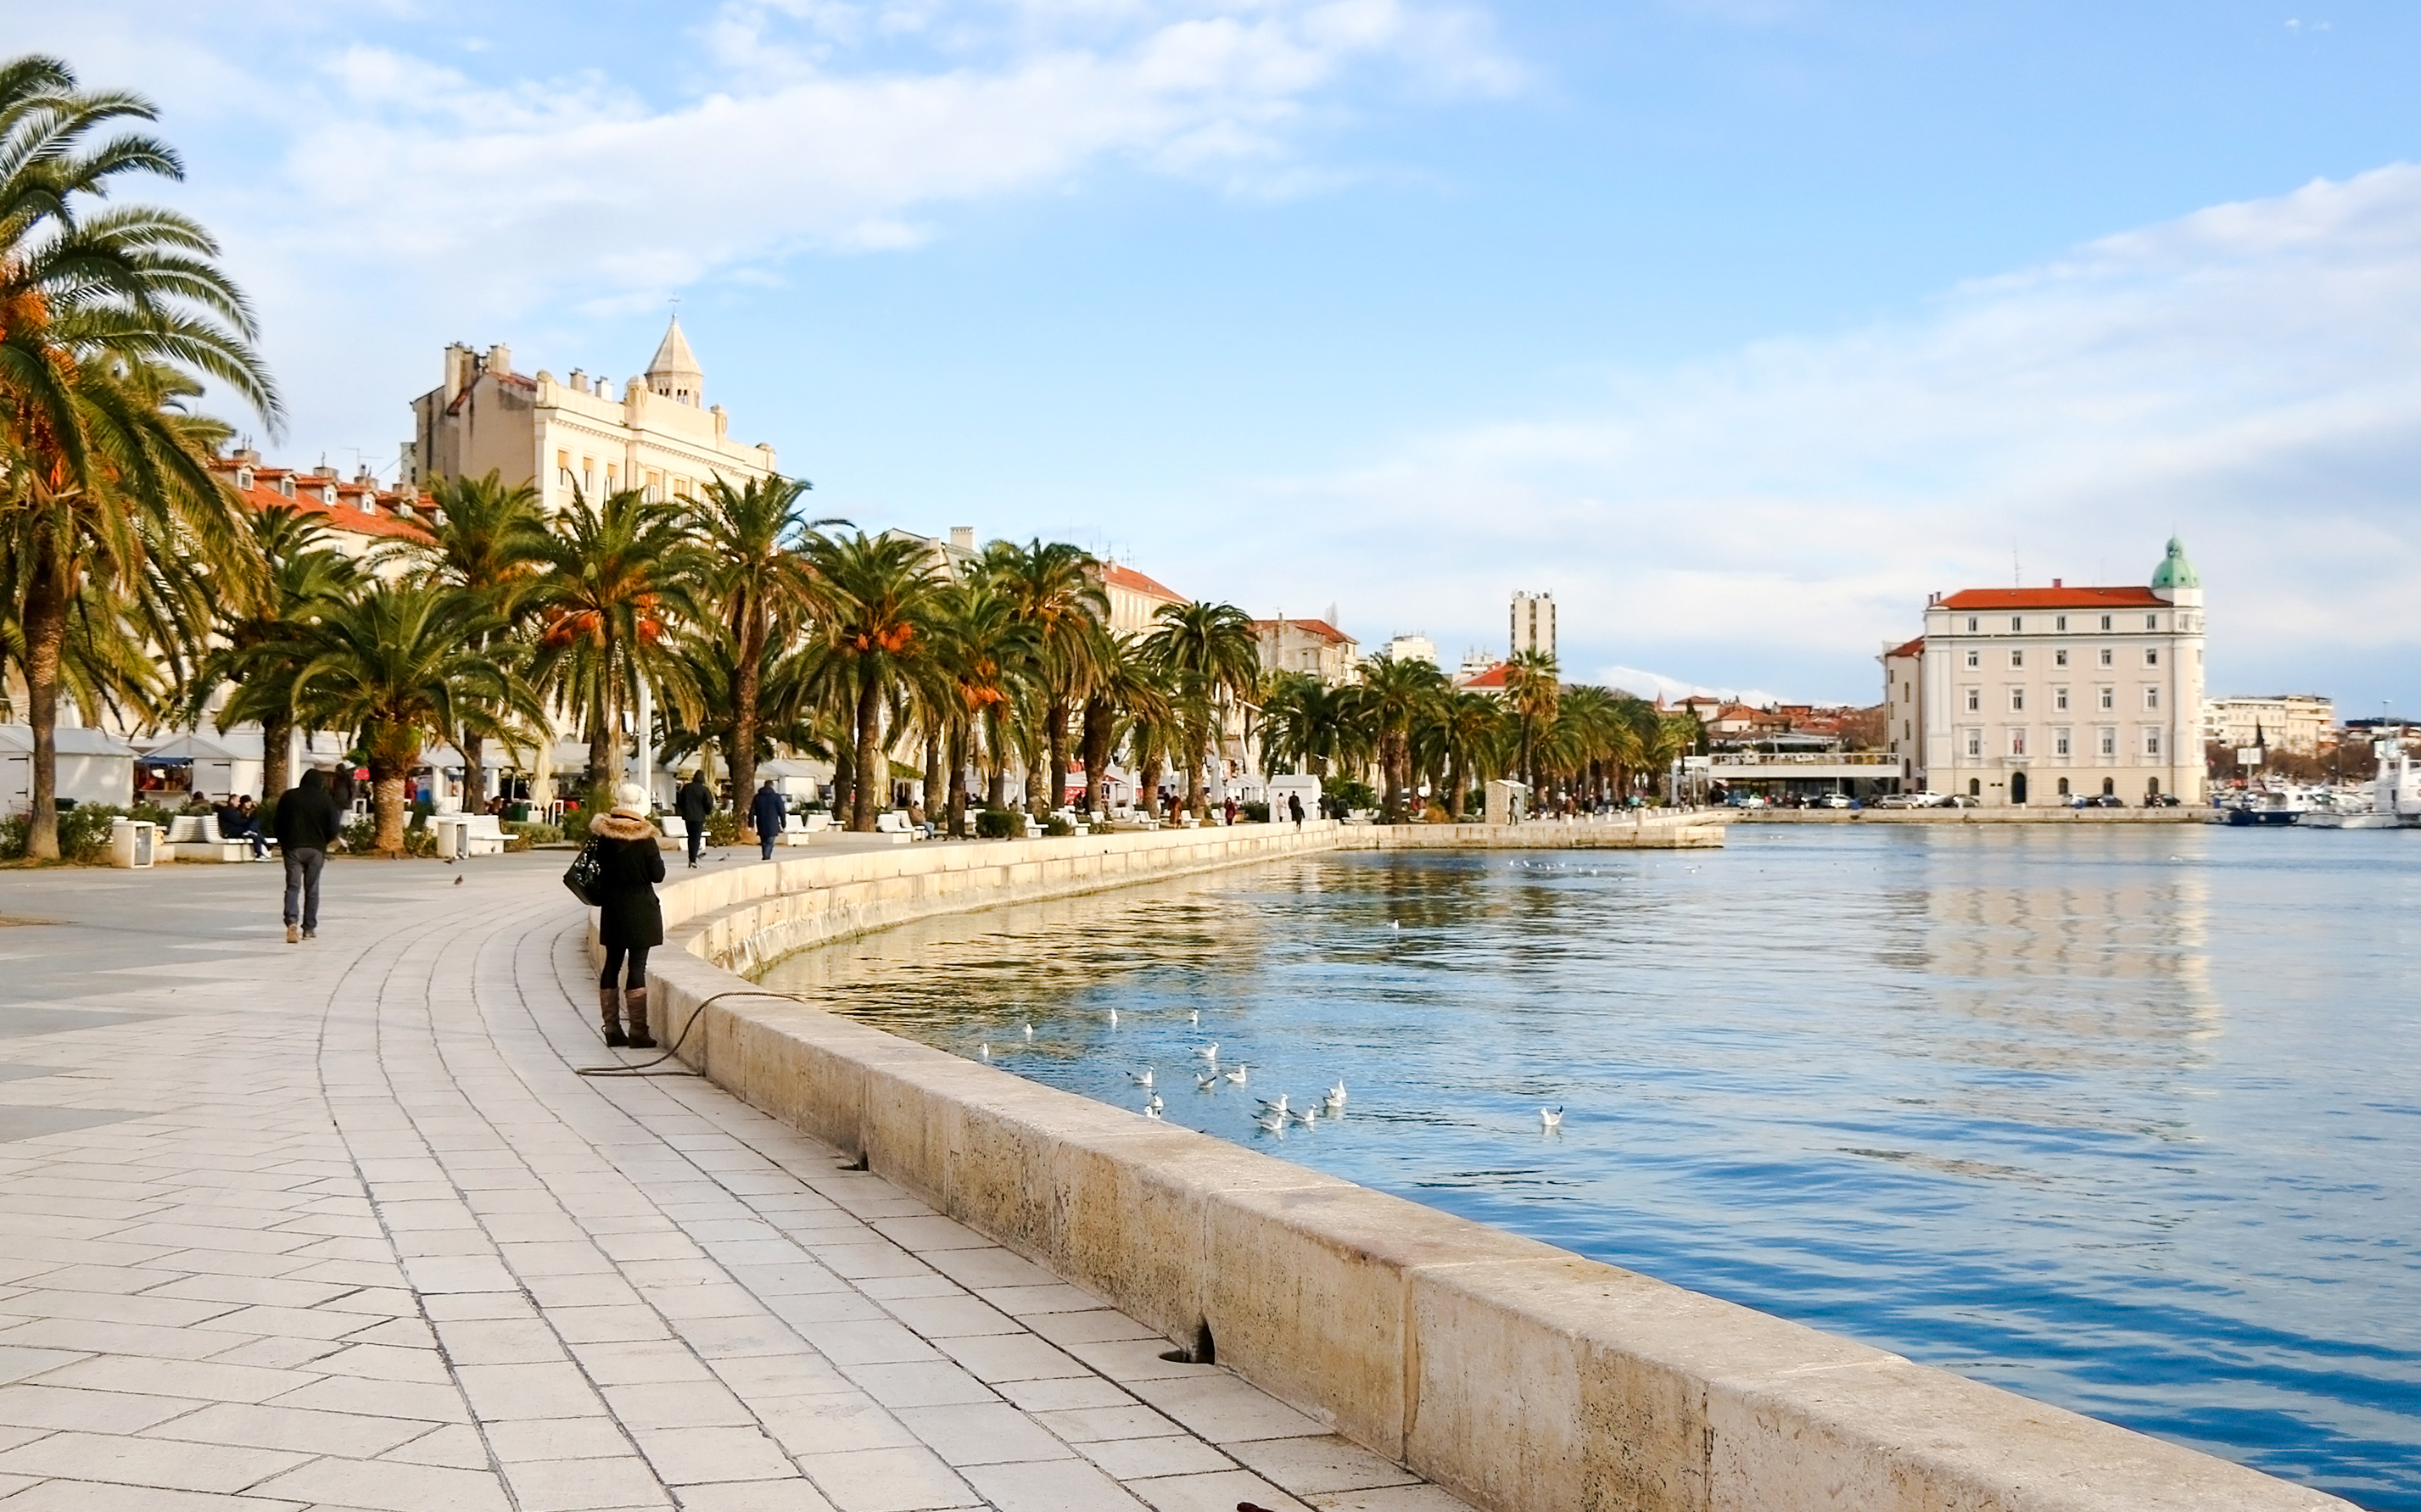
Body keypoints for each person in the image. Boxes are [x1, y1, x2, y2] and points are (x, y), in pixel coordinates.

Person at [588, 784, 663, 1050]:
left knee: (612, 964)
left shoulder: (602, 838)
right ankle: (639, 1031)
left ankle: (611, 1028)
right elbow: (658, 875)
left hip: (613, 908)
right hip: (641, 910)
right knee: (637, 967)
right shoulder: (646, 840)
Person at [273, 768, 343, 944]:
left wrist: (284, 842)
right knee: (312, 889)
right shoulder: (326, 801)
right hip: (316, 849)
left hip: (293, 848)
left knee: (293, 887)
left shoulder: (289, 797)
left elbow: (277, 822)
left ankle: (291, 922)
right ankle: (309, 929)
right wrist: (324, 842)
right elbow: (334, 827)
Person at [674, 770, 713, 868]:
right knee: (696, 838)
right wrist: (707, 812)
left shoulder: (686, 788)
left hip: (688, 817)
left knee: (690, 838)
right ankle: (693, 860)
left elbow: (680, 800)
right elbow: (709, 803)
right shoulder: (704, 789)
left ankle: (691, 858)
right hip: (699, 817)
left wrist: (683, 812)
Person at [750, 779, 786, 861]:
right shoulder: (776, 797)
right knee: (770, 842)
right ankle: (766, 857)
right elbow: (782, 811)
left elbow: (752, 811)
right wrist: (784, 824)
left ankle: (765, 855)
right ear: (772, 786)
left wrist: (751, 824)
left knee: (764, 842)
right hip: (773, 823)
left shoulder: (757, 797)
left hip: (761, 823)